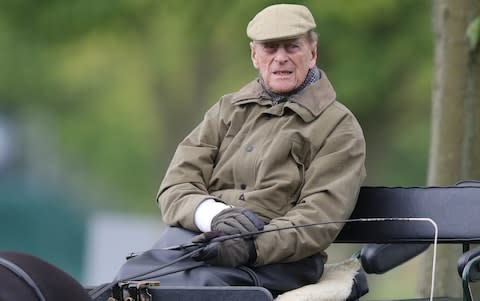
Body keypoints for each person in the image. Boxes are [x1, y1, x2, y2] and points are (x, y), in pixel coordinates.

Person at [117, 3, 366, 295]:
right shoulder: (226, 110)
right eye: (270, 49)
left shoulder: (339, 127)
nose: (281, 58)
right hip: (199, 241)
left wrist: (249, 245)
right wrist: (212, 216)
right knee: (128, 279)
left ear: (312, 53)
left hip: (279, 260)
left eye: (292, 47)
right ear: (254, 55)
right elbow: (176, 185)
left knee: (194, 290)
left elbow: (319, 219)